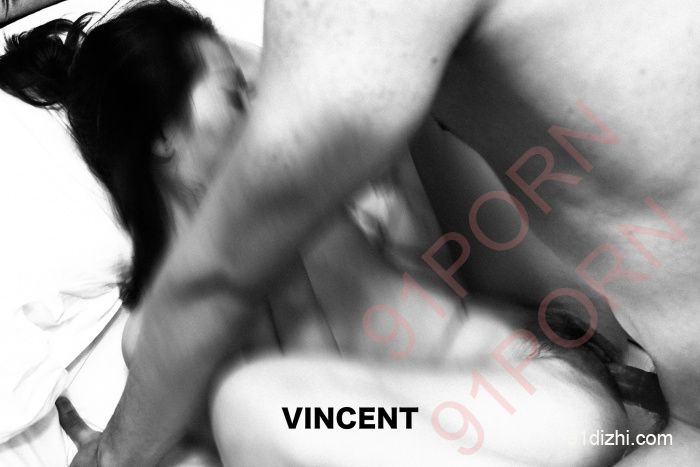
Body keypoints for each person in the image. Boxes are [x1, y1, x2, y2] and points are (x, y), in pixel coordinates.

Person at [0, 0, 678, 465]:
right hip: (437, 438)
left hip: (537, 396)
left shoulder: (326, 206)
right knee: (259, 412)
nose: (263, 109)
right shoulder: (155, 338)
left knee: (253, 404)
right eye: (234, 93)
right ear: (162, 139)